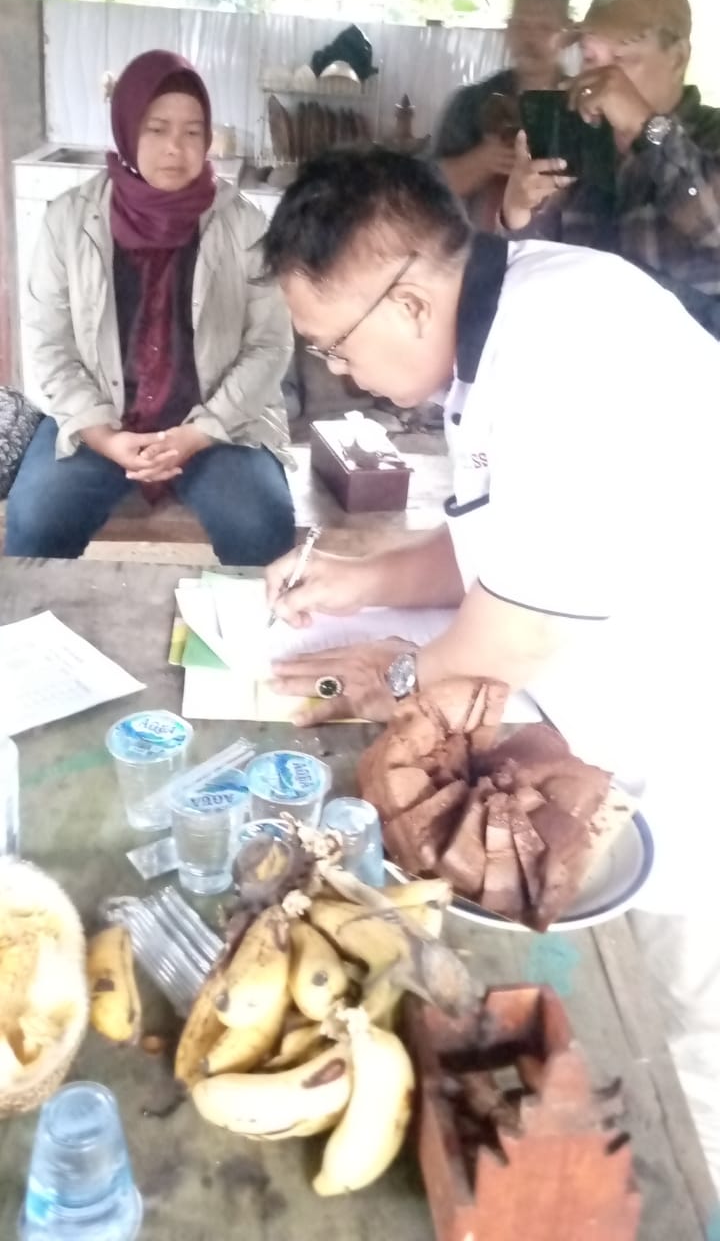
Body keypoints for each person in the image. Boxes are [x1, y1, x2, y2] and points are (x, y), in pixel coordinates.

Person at [260, 145, 720, 1192]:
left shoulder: (563, 349)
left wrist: (382, 680)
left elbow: (509, 639)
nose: (338, 370)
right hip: (618, 714)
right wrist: (357, 580)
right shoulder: (503, 328)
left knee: (691, 1033)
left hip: (696, 729)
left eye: (335, 344)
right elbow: (492, 545)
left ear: (409, 302)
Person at [5, 50, 296, 565]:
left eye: (192, 131)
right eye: (157, 129)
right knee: (36, 518)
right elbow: (49, 344)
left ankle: (244, 620)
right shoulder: (68, 221)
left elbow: (270, 345)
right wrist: (102, 435)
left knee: (260, 521)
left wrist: (199, 432)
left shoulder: (244, 225)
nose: (175, 148)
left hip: (217, 424)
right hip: (97, 417)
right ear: (126, 130)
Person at [501, 0, 720, 333]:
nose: (603, 78)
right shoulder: (578, 137)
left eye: (621, 59)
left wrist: (644, 127)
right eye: (590, 58)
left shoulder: (711, 136)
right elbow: (538, 270)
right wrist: (518, 212)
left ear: (678, 58)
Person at [435, 0, 572, 222]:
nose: (529, 39)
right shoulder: (470, 103)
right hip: (480, 242)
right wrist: (484, 160)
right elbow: (431, 188)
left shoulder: (583, 107)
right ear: (508, 29)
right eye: (521, 25)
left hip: (562, 244)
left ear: (568, 34)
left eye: (544, 28)